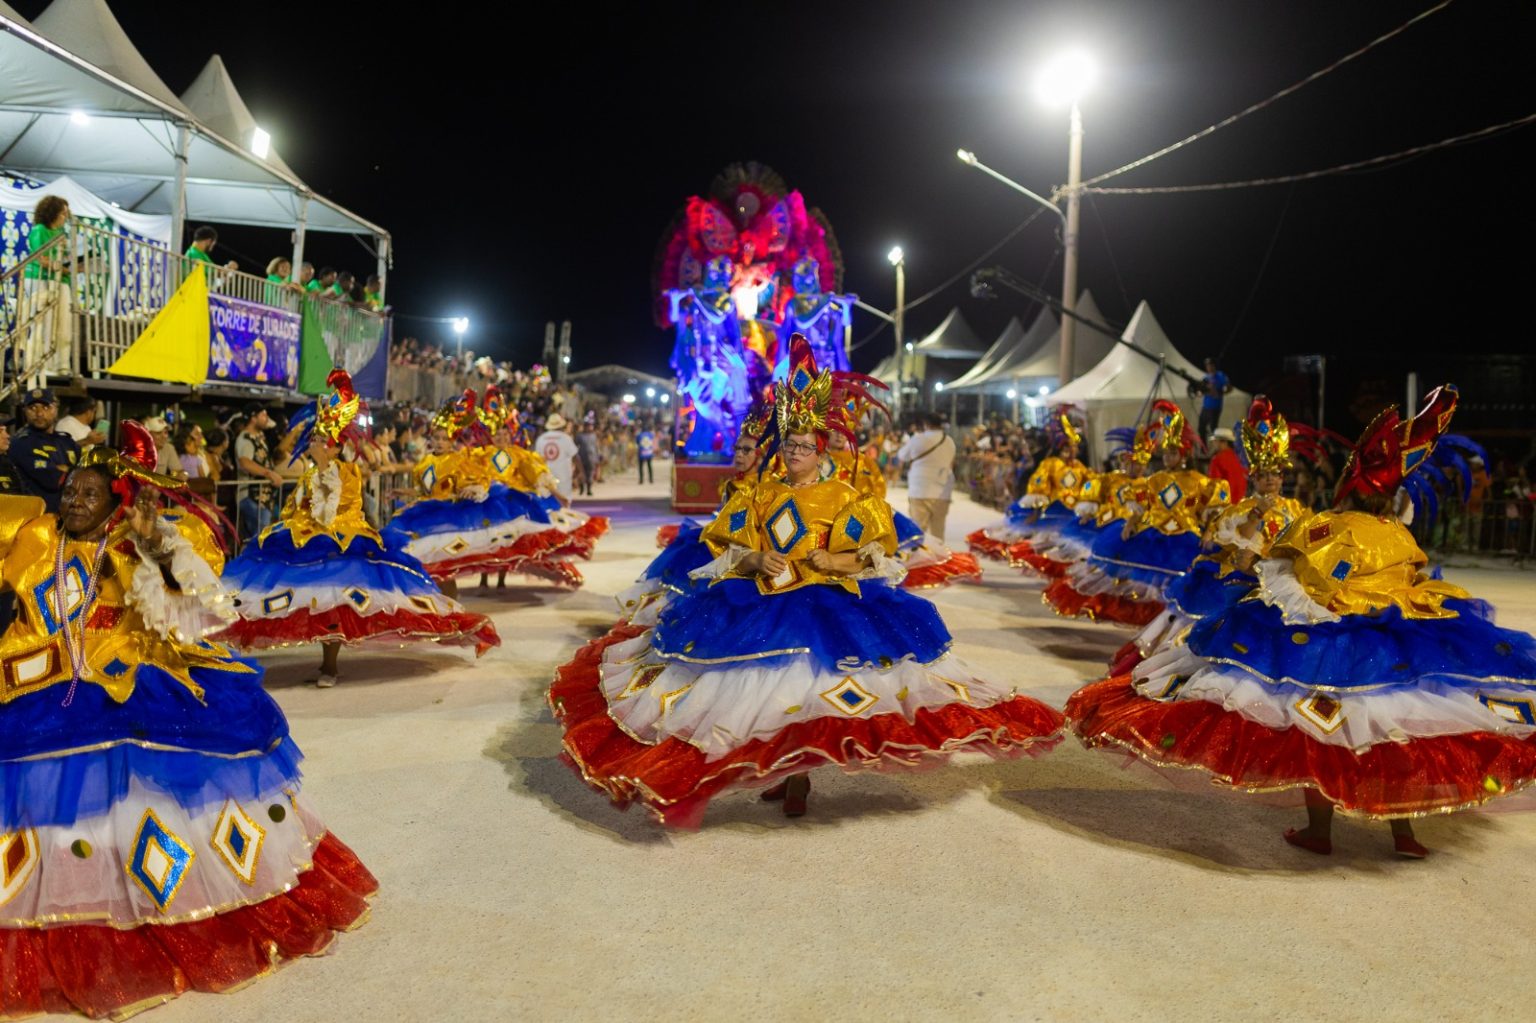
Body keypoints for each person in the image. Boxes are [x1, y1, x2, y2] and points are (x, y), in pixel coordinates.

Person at [547, 336, 1064, 825]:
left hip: (827, 607)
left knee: (809, 692)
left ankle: (798, 777)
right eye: (789, 444)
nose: (793, 452)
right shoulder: (760, 493)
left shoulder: (845, 497)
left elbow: (870, 560)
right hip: (760, 597)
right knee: (761, 694)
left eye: (803, 446)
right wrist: (756, 560)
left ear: (822, 451)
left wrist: (829, 562)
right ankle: (787, 773)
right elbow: (727, 546)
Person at [0, 422, 377, 1018]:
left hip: (129, 657)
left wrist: (154, 542)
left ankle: (142, 896)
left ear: (115, 503)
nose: (72, 502)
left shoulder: (138, 541)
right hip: (46, 666)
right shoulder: (39, 537)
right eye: (68, 490)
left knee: (141, 728)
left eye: (87, 494)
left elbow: (200, 587)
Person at [1066, 385, 1536, 859]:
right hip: (1392, 647)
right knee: (1397, 729)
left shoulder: (1324, 525)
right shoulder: (1397, 534)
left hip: (1323, 644)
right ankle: (1403, 832)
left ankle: (1322, 831)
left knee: (1316, 733)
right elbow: (1412, 581)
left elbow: (1294, 575)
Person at [219, 371, 498, 688]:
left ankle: (330, 667)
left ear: (335, 449)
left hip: (339, 543)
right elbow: (295, 507)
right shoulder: (312, 475)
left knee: (333, 602)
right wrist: (292, 519)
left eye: (321, 441)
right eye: (315, 439)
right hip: (303, 540)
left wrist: (320, 480)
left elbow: (329, 513)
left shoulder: (345, 472)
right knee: (299, 600)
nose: (314, 445)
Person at [21, 195, 77, 382]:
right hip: (40, 279)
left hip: (61, 280)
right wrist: (60, 266)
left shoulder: (62, 235)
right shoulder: (40, 230)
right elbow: (41, 258)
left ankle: (61, 364)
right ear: (52, 212)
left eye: (66, 214)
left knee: (63, 325)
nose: (64, 217)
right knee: (45, 324)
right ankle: (40, 364)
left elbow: (62, 261)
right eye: (62, 213)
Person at [8, 387, 79, 512]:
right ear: (25, 411)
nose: (39, 413)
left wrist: (66, 469)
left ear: (55, 410)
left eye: (45, 407)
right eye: (32, 408)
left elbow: (86, 472)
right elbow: (52, 480)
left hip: (69, 516)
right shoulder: (21, 444)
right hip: (37, 519)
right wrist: (73, 470)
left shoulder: (67, 441)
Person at [896, 411, 956, 539]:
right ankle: (938, 557)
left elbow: (902, 455)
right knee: (938, 532)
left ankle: (919, 557)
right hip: (942, 491)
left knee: (917, 531)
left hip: (920, 490)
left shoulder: (919, 439)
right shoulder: (949, 441)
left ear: (926, 424)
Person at [234, 408, 284, 542]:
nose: (266, 419)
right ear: (253, 418)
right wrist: (269, 474)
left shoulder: (259, 437)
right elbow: (245, 462)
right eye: (263, 415)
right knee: (260, 539)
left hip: (263, 499)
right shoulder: (245, 438)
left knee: (261, 537)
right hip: (251, 496)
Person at [534, 413, 579, 503]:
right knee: (564, 504)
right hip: (563, 477)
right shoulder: (566, 438)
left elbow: (536, 460)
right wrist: (579, 473)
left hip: (546, 478)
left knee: (547, 506)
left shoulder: (541, 439)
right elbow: (576, 457)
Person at [1205, 426, 1248, 503]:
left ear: (1224, 442)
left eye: (1215, 441)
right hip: (1239, 504)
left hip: (1223, 504)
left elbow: (1213, 484)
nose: (1214, 444)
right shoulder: (1238, 458)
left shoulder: (1217, 459)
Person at [1198, 357, 1231, 440]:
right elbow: (1201, 390)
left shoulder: (1221, 376)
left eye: (1210, 365)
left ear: (1213, 366)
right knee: (1201, 428)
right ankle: (1204, 449)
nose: (1209, 368)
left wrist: (1220, 392)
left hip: (1215, 407)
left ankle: (1217, 448)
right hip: (1206, 407)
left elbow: (1229, 387)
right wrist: (1200, 392)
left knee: (1213, 429)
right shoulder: (1206, 377)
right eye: (1207, 366)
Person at [574, 417, 601, 496]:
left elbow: (596, 447)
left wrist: (597, 457)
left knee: (590, 474)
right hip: (582, 458)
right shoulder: (580, 436)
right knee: (581, 473)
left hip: (591, 458)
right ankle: (581, 487)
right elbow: (575, 446)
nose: (590, 427)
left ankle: (589, 489)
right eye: (588, 426)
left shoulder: (594, 436)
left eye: (591, 426)